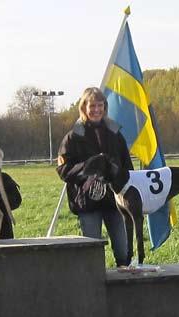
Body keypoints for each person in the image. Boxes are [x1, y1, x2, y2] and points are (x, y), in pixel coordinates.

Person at [56, 87, 134, 267]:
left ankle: (123, 284)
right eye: (92, 106)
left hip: (115, 201)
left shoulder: (115, 133)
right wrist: (89, 169)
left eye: (100, 105)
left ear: (105, 107)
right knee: (91, 251)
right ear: (84, 107)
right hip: (88, 203)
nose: (96, 110)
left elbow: (127, 166)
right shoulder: (72, 137)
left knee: (123, 250)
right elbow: (63, 169)